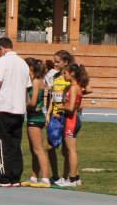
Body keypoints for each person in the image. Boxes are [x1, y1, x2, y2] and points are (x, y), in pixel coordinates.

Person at [0, 37, 29, 187]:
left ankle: (3, 177)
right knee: (15, 143)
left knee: (1, 142)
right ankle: (15, 177)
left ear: (1, 48)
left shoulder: (3, 61)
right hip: (19, 108)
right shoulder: (23, 63)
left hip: (4, 107)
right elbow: (27, 86)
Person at [46, 50, 74, 184]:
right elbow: (52, 97)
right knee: (50, 146)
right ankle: (55, 175)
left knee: (66, 149)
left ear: (66, 63)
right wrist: (48, 113)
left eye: (57, 62)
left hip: (67, 116)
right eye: (54, 61)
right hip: (55, 116)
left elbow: (78, 94)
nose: (55, 64)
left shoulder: (71, 78)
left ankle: (65, 176)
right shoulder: (55, 77)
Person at [59, 62, 88, 187]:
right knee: (71, 150)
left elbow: (70, 107)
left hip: (71, 120)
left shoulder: (73, 88)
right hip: (73, 120)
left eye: (65, 73)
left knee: (71, 151)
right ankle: (76, 178)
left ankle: (72, 178)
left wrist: (61, 107)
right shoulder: (77, 87)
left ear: (72, 73)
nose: (63, 75)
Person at [24, 57, 51, 187]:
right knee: (35, 149)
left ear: (31, 68)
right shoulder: (38, 80)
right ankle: (34, 176)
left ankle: (45, 178)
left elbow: (33, 102)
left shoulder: (35, 81)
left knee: (38, 149)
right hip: (37, 116)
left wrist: (23, 102)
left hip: (34, 117)